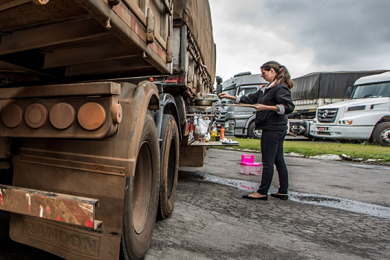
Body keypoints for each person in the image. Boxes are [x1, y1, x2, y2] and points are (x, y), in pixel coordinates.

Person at [219, 61, 295, 200]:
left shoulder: (280, 89)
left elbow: (288, 107)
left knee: (267, 161)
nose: (262, 76)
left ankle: (262, 192)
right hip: (274, 128)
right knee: (278, 160)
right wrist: (230, 97)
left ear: (272, 71)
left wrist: (266, 107)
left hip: (273, 128)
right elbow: (250, 98)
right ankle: (283, 190)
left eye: (264, 73)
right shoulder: (267, 88)